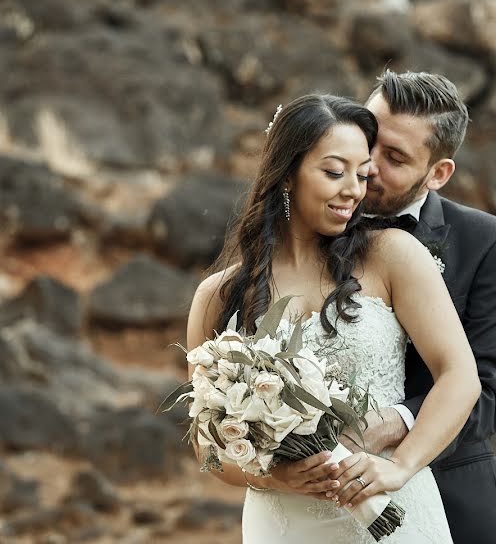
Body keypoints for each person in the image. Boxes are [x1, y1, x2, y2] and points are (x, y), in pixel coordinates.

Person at [185, 93, 481, 543]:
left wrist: (400, 467)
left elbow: (460, 376)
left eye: (361, 175)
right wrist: (274, 477)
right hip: (284, 523)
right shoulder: (219, 296)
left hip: (395, 508)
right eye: (333, 172)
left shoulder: (392, 256)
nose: (353, 190)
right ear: (287, 174)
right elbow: (206, 445)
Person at [356, 70, 496, 543]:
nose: (368, 164)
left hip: (451, 501)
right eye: (367, 138)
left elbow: (490, 389)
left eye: (393, 157)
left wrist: (395, 425)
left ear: (438, 173)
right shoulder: (302, 229)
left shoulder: (490, 243)